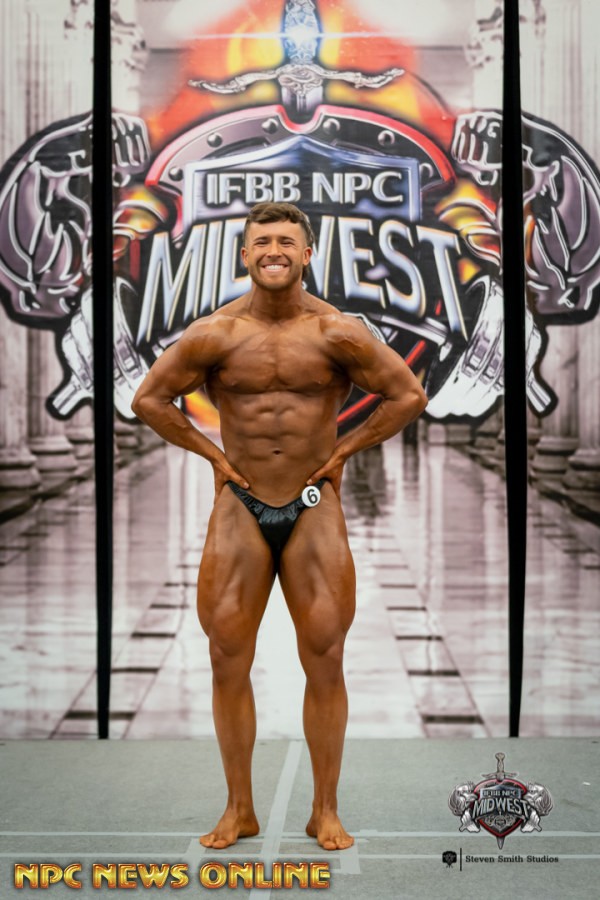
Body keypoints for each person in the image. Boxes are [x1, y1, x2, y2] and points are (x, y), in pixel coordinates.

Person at [132, 201, 428, 851]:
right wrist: (212, 455)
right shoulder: (214, 334)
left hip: (312, 504)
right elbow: (148, 399)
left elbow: (408, 394)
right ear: (244, 254)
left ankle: (325, 809)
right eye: (262, 241)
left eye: (287, 242)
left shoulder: (337, 332)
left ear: (307, 253)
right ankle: (239, 808)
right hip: (240, 502)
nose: (274, 251)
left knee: (325, 656)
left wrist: (344, 452)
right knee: (225, 656)